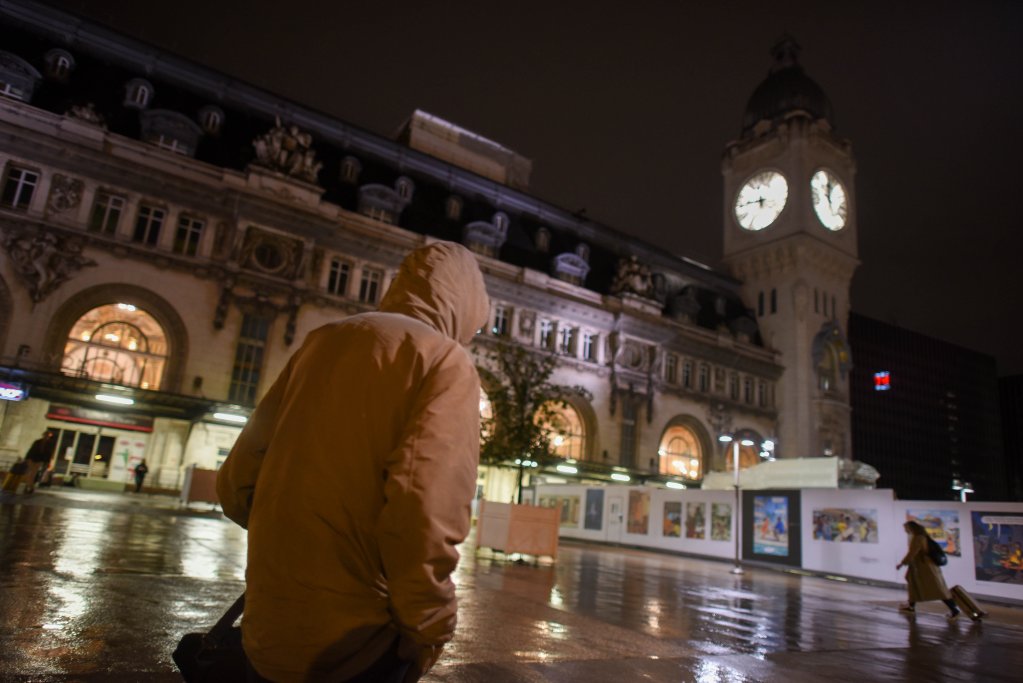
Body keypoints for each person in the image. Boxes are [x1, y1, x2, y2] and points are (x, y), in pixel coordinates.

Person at [217, 241, 489, 683]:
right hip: (356, 643)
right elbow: (424, 513)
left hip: (267, 631)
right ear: (466, 304)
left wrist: (301, 538)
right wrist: (429, 627)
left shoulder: (323, 340)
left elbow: (236, 484)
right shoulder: (444, 361)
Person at [896, 520, 960, 621]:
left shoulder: (918, 538)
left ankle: (954, 610)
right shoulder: (921, 536)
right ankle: (911, 606)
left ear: (911, 528)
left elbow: (912, 553)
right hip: (920, 567)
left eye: (906, 528)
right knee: (914, 586)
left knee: (938, 589)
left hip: (924, 568)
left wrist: (902, 563)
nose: (905, 530)